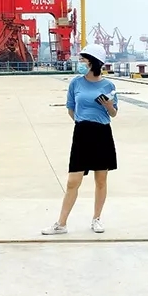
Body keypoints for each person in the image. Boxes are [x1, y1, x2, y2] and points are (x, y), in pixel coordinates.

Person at [42, 43, 118, 236]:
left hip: (102, 133)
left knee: (101, 179)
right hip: (82, 133)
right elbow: (70, 108)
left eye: (84, 60)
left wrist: (108, 105)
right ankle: (61, 223)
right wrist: (81, 121)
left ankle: (96, 218)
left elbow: (113, 113)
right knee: (73, 180)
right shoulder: (75, 83)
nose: (81, 63)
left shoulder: (108, 85)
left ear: (94, 62)